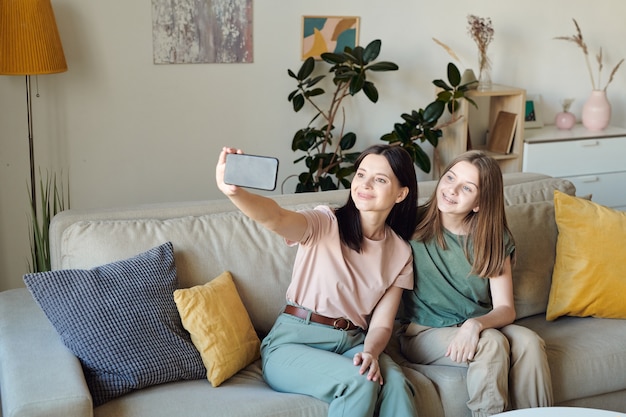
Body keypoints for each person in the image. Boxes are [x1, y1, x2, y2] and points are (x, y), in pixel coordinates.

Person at [216, 144, 419, 417]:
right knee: (359, 381)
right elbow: (275, 217)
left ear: (401, 193)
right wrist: (236, 193)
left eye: (380, 179)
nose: (364, 184)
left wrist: (370, 353)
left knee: (395, 383)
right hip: (294, 341)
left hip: (353, 342)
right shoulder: (326, 221)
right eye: (360, 174)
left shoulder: (401, 252)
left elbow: (382, 324)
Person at [399, 150, 553, 417]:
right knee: (491, 343)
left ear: (480, 202)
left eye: (467, 188)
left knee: (529, 342)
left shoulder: (492, 238)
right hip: (424, 332)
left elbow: (506, 309)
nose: (451, 190)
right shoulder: (410, 223)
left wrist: (474, 324)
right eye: (450, 178)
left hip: (478, 326)